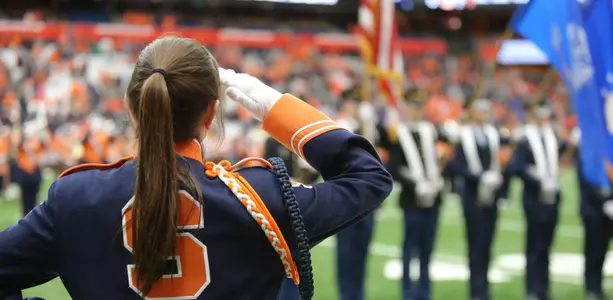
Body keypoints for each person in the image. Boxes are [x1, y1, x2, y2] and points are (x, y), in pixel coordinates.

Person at [0, 37, 393, 299]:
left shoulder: (76, 200)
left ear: (132, 107)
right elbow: (368, 175)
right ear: (211, 111)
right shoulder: (259, 200)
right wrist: (270, 103)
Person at [387, 89, 450, 300]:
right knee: (409, 248)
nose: (416, 109)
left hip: (433, 199)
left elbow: (445, 153)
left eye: (419, 105)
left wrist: (439, 179)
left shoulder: (430, 130)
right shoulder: (399, 133)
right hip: (412, 200)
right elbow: (394, 167)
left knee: (427, 249)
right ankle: (408, 292)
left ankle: (424, 292)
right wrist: (414, 183)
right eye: (412, 105)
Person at [448, 98, 510, 300]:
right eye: (479, 111)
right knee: (475, 243)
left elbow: (503, 161)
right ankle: (476, 290)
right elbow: (457, 166)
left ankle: (485, 289)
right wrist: (478, 177)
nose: (483, 115)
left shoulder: (494, 134)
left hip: (491, 196)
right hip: (472, 196)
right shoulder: (463, 135)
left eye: (486, 111)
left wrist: (500, 187)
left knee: (488, 243)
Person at [507, 101, 562, 300]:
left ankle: (544, 289)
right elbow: (516, 168)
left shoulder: (552, 136)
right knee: (534, 245)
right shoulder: (525, 139)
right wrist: (536, 177)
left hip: (553, 197)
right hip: (534, 197)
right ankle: (532, 289)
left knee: (547, 245)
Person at [333, 86, 379, 300]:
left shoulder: (366, 126)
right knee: (346, 251)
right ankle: (347, 295)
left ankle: (357, 294)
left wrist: (368, 123)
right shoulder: (340, 125)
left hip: (366, 199)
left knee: (361, 251)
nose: (355, 107)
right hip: (347, 198)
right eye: (352, 102)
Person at [570, 127, 612, 300]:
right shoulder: (587, 148)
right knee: (594, 249)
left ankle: (598, 287)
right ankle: (592, 288)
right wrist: (605, 200)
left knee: (604, 250)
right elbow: (585, 179)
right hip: (592, 208)